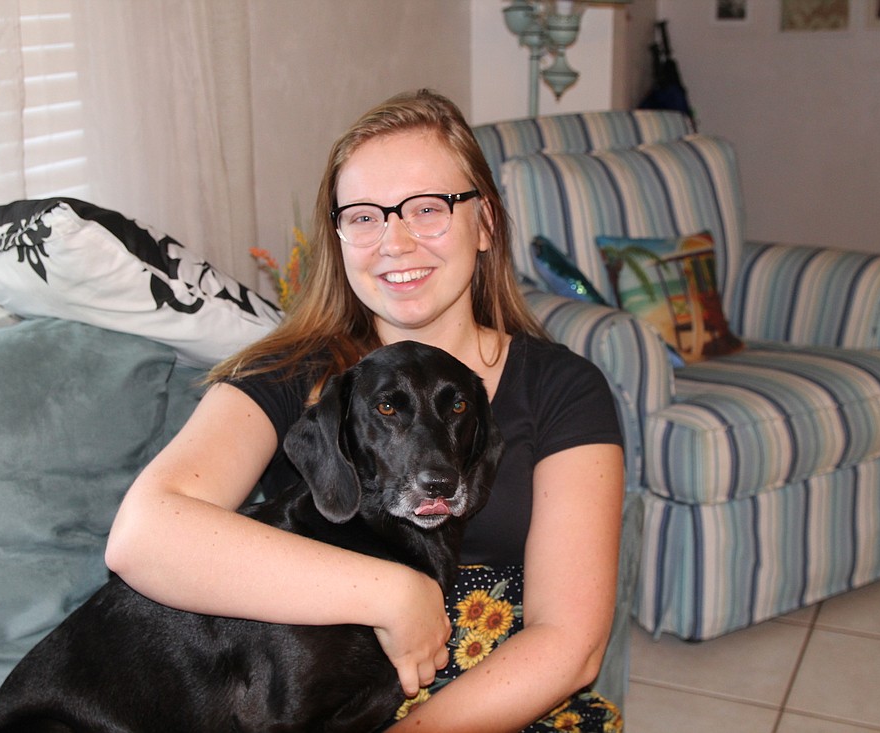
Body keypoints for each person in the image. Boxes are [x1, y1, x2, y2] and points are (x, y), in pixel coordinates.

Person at [105, 89, 624, 731]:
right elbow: (143, 537)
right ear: (340, 235)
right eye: (364, 217)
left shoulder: (561, 388)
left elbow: (570, 643)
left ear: (486, 222)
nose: (395, 243)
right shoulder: (289, 375)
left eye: (428, 209)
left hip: (490, 701)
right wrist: (392, 592)